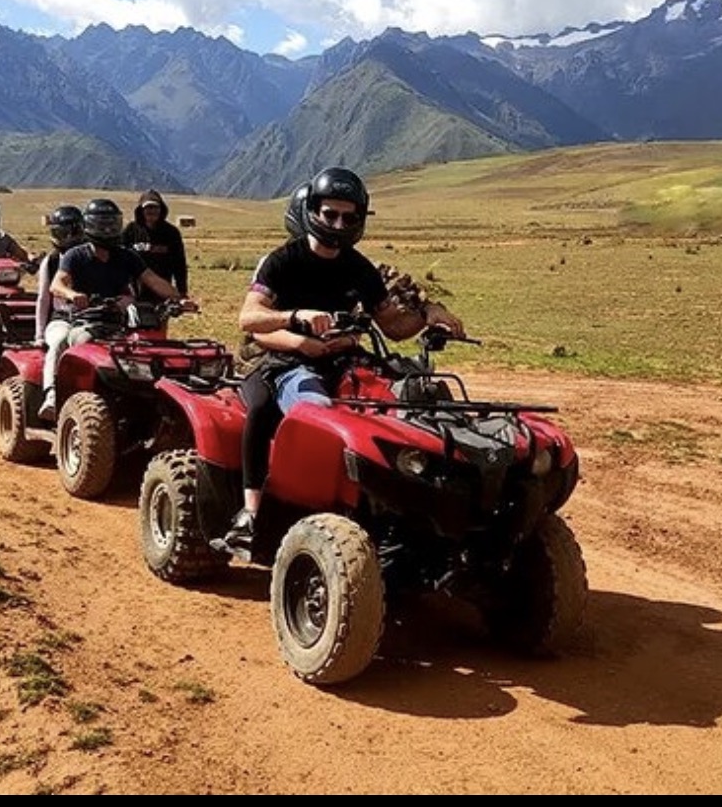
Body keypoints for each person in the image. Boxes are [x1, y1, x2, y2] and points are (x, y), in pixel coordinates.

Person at [211, 166, 464, 560]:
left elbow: (393, 325)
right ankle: (252, 511)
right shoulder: (282, 261)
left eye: (349, 217)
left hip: (344, 360)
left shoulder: (359, 267)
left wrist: (429, 314)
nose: (338, 224)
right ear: (313, 210)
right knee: (300, 411)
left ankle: (402, 504)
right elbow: (249, 317)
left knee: (402, 403)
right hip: (285, 361)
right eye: (330, 214)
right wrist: (297, 320)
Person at [38, 198, 196, 421]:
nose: (108, 229)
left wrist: (179, 299)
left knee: (142, 350)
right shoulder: (76, 255)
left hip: (116, 322)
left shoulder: (127, 256)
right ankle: (52, 396)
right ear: (90, 225)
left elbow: (152, 280)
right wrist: (73, 295)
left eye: (112, 223)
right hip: (79, 320)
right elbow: (57, 284)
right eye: (102, 224)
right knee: (65, 340)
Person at [121, 189, 189, 303]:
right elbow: (120, 261)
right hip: (135, 293)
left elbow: (179, 265)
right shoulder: (131, 230)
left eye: (155, 207)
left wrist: (182, 292)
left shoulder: (171, 233)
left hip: (163, 292)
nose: (152, 211)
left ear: (161, 209)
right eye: (148, 208)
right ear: (141, 210)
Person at [34, 204, 85, 346]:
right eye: (60, 233)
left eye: (72, 232)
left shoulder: (90, 258)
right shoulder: (51, 261)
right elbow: (43, 299)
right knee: (60, 341)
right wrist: (39, 335)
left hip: (89, 318)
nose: (67, 238)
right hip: (61, 318)